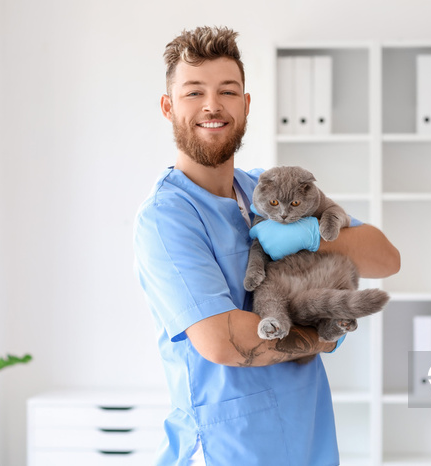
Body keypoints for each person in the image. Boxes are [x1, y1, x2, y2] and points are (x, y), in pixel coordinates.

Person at [133, 26, 400, 466]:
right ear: (168, 107)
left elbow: (385, 258)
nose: (212, 106)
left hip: (305, 432)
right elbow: (222, 341)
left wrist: (312, 234)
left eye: (228, 91)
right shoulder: (166, 217)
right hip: (228, 445)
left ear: (246, 104)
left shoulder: (270, 189)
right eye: (193, 92)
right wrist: (326, 339)